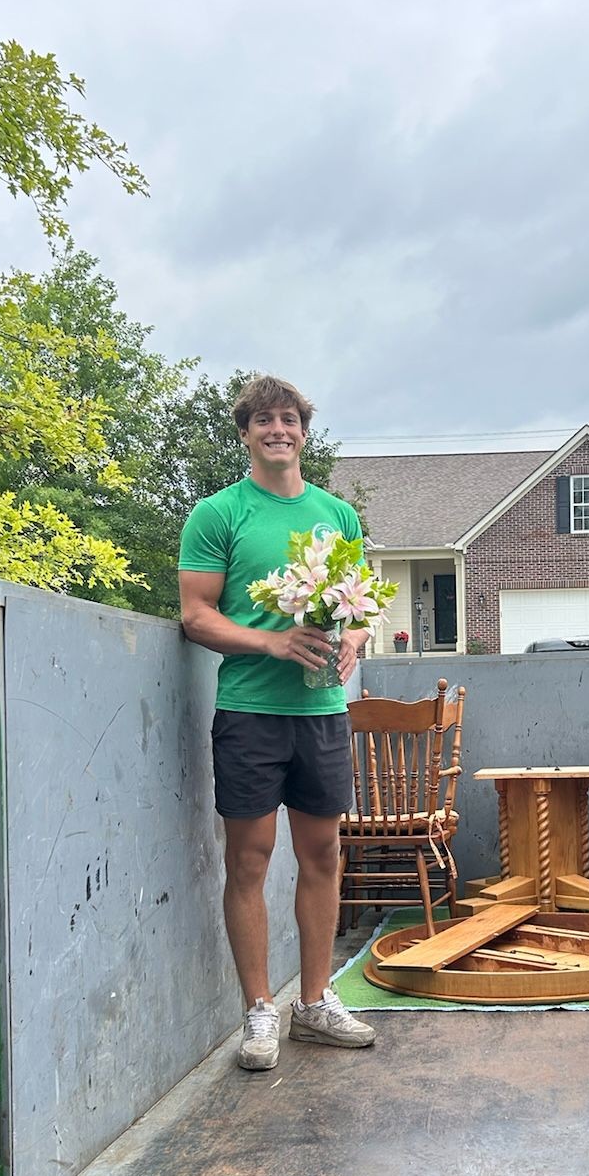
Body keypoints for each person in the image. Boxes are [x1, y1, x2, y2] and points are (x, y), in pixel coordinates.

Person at [178, 374, 375, 1068]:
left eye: (288, 419)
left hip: (321, 712)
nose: (277, 430)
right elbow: (195, 614)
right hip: (250, 712)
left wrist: (353, 641)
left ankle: (315, 1004)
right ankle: (259, 1011)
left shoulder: (336, 515)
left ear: (303, 431)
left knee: (322, 856)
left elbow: (358, 609)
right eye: (263, 420)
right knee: (250, 860)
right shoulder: (218, 513)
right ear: (245, 433)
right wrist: (271, 642)